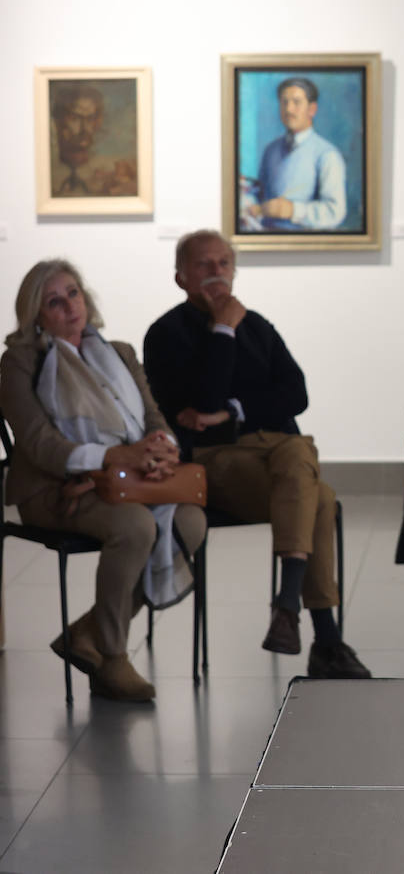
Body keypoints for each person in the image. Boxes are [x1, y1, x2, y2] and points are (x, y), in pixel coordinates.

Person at [142, 230, 370, 679]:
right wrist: (223, 331)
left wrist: (230, 410)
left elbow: (297, 394)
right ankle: (322, 635)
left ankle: (295, 611)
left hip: (274, 456)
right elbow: (201, 402)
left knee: (303, 472)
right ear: (180, 278)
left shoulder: (258, 326)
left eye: (224, 264)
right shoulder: (166, 335)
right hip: (212, 460)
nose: (217, 273)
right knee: (310, 477)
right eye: (204, 265)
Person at [1, 260, 206, 701]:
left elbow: (153, 417)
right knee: (135, 528)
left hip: (127, 479)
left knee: (190, 522)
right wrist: (111, 458)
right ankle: (113, 656)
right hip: (54, 488)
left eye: (73, 293)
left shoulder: (120, 352)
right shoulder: (20, 363)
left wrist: (161, 448)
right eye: (54, 301)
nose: (69, 307)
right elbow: (39, 444)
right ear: (36, 314)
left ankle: (87, 632)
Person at [241, 77, 346, 230]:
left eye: (296, 102)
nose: (289, 109)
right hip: (266, 242)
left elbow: (335, 212)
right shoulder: (271, 150)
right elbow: (261, 197)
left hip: (307, 248)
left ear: (312, 109)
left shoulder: (327, 155)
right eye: (284, 102)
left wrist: (292, 210)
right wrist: (246, 191)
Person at [49, 84, 137, 198]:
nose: (84, 128)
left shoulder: (114, 171)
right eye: (74, 118)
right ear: (58, 122)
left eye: (90, 119)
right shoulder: (47, 174)